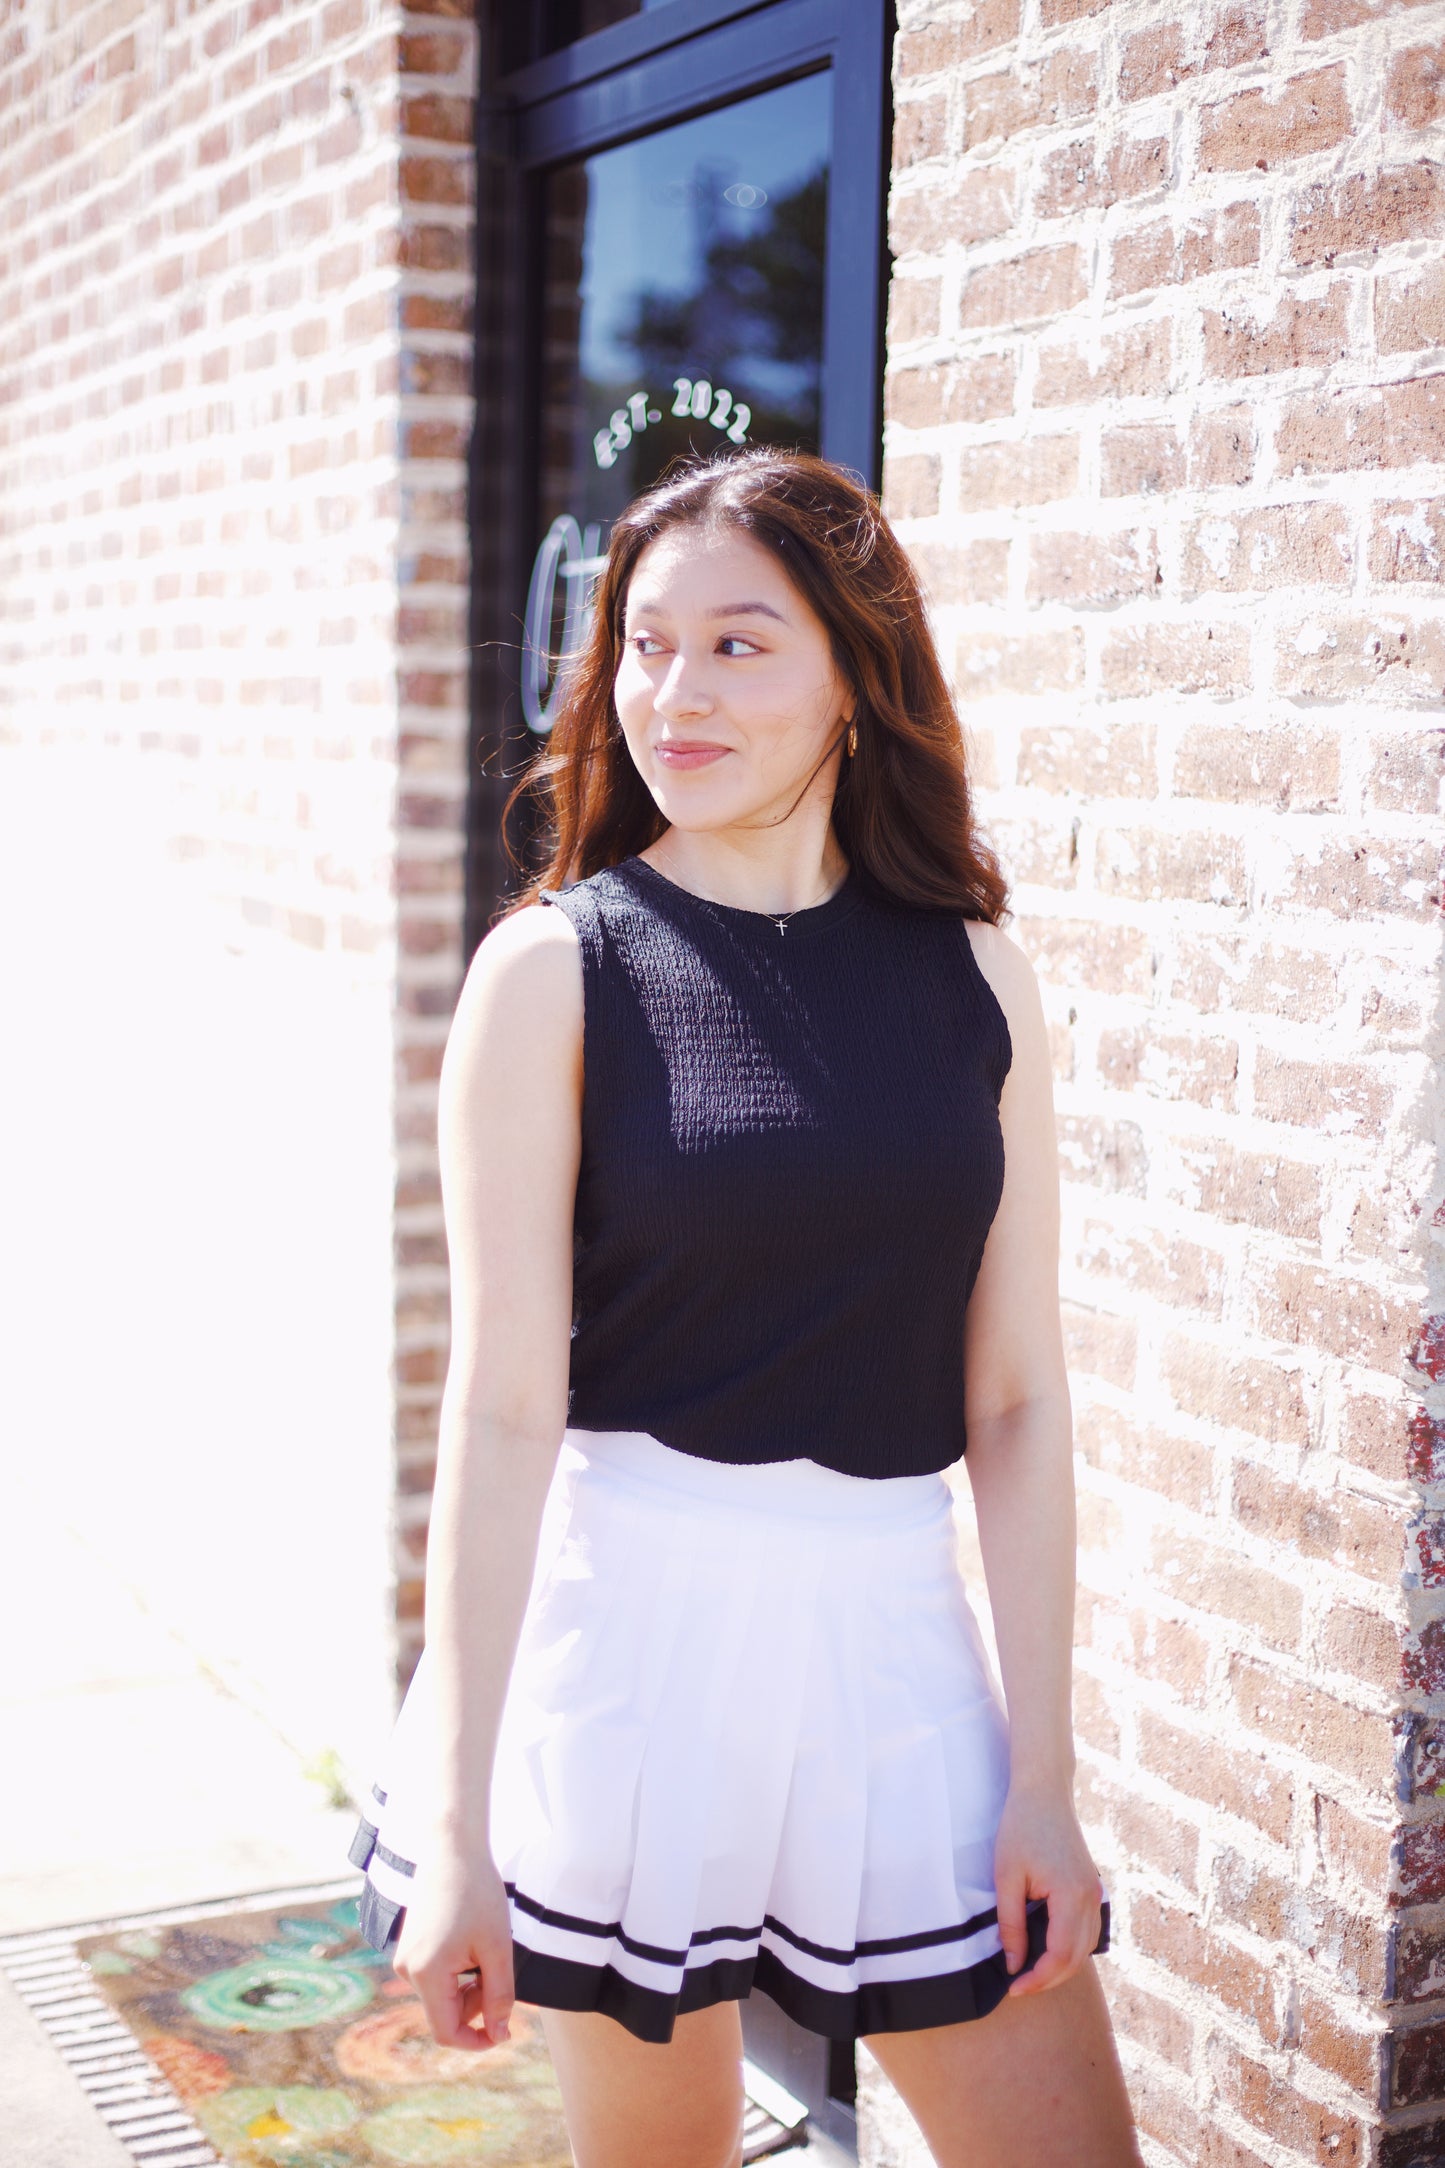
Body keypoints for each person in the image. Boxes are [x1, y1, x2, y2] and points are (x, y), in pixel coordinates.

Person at [347, 448, 1142, 2167]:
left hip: (889, 1642)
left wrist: (1045, 1777)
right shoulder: (558, 969)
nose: (670, 692)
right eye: (643, 644)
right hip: (627, 1643)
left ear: (859, 675)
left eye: (738, 644)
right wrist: (462, 1814)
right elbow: (499, 1414)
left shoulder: (974, 978)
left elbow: (1013, 1402)